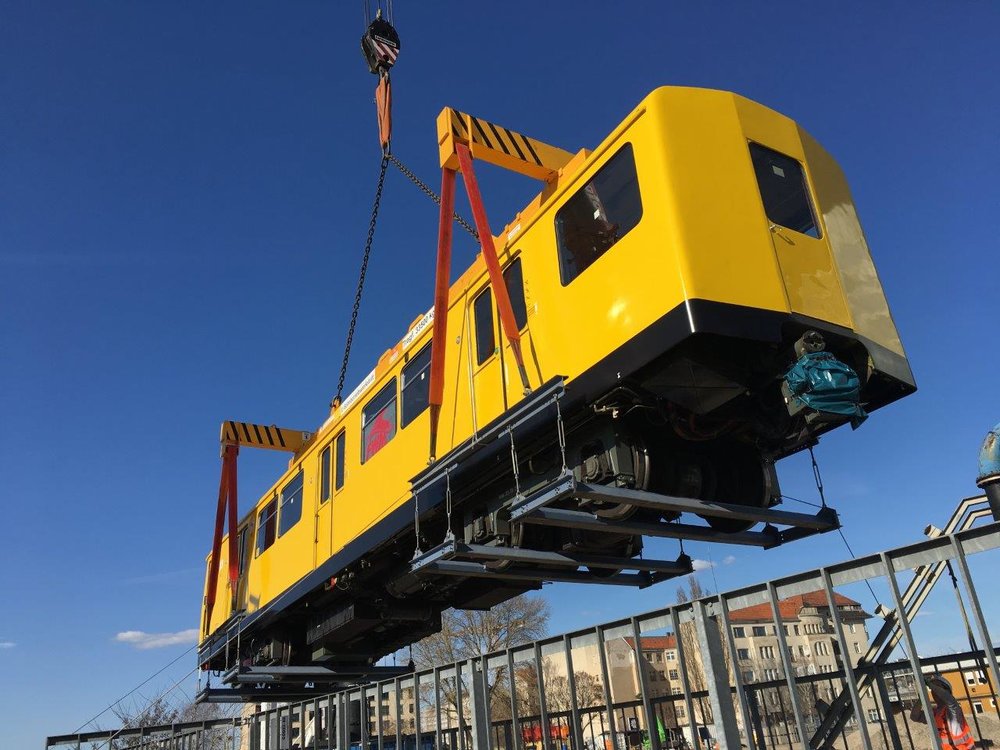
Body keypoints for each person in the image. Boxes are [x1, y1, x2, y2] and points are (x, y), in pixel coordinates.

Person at [909, 673, 976, 749]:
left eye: (937, 687)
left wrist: (931, 685)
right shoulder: (935, 713)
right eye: (932, 689)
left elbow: (950, 701)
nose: (934, 691)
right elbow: (914, 716)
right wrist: (922, 696)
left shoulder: (954, 709)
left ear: (947, 691)